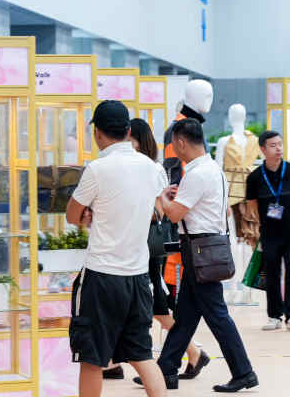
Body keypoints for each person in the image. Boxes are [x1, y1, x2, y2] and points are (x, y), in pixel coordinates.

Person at [135, 118, 258, 393]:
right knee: (187, 314)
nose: (174, 151)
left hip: (198, 250)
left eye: (174, 146)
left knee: (217, 315)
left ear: (180, 142)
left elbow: (175, 213)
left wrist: (162, 197)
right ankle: (166, 369)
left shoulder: (197, 173)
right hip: (207, 248)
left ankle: (244, 371)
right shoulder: (213, 169)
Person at [66, 101, 166, 397]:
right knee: (142, 355)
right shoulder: (152, 168)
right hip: (137, 277)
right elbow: (155, 211)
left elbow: (72, 215)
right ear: (127, 130)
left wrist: (89, 216)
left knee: (92, 358)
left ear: (97, 133)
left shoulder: (97, 169)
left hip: (101, 276)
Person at [103, 119, 208, 381]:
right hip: (132, 248)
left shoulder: (152, 170)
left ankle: (192, 352)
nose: (125, 146)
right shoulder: (135, 169)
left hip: (145, 248)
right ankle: (111, 361)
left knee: (157, 308)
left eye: (130, 140)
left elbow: (157, 213)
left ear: (138, 141)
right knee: (147, 308)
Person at [246, 131, 290, 332]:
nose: (278, 148)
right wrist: (269, 220)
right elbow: (252, 206)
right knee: (271, 274)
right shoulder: (255, 177)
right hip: (270, 235)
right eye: (273, 145)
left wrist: (286, 212)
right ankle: (274, 316)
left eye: (280, 144)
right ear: (262, 149)